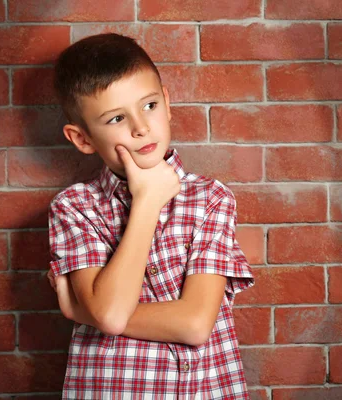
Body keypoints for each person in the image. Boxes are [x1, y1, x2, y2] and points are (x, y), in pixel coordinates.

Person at [45, 33, 255, 399]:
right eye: (115, 118)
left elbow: (193, 325)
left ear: (167, 102)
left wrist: (82, 311)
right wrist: (146, 204)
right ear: (82, 139)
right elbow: (110, 314)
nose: (141, 127)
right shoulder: (74, 207)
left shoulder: (211, 199)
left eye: (149, 106)